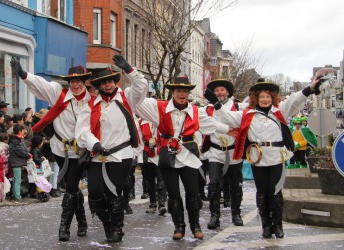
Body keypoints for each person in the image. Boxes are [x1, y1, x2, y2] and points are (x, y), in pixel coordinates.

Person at [208, 77, 322, 239]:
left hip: (276, 156)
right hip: (258, 157)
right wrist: (216, 104)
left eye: (268, 96)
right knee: (261, 192)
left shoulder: (279, 111)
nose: (265, 99)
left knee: (274, 192)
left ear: (272, 98)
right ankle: (266, 226)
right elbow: (227, 117)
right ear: (256, 98)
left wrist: (310, 88)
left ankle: (277, 225)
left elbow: (294, 99)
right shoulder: (247, 114)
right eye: (261, 97)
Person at [135, 76, 235, 240]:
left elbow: (211, 124)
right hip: (168, 156)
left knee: (193, 193)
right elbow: (136, 101)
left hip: (188, 156)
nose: (182, 94)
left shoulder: (196, 111)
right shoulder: (158, 107)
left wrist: (227, 129)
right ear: (173, 92)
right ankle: (179, 227)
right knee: (174, 195)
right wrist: (132, 75)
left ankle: (195, 226)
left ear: (189, 93)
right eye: (179, 91)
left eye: (185, 91)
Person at [11, 58, 92, 241]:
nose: (76, 84)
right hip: (60, 149)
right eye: (72, 81)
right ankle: (82, 220)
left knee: (71, 186)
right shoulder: (59, 93)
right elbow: (41, 84)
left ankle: (64, 227)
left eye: (79, 81)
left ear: (85, 81)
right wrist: (24, 74)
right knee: (72, 188)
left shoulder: (92, 101)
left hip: (80, 151)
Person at [75, 55, 148, 243]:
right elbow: (82, 130)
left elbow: (142, 87)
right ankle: (107, 223)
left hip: (120, 155)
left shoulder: (127, 98)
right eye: (103, 83)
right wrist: (94, 143)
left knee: (113, 192)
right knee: (95, 194)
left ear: (115, 82)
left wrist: (130, 70)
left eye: (110, 81)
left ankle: (116, 228)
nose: (108, 85)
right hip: (97, 155)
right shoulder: (90, 105)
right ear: (98, 86)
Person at [202, 79, 244, 228]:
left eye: (222, 90)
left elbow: (238, 123)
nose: (219, 93)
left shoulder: (237, 107)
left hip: (233, 152)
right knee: (213, 184)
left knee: (235, 185)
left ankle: (236, 214)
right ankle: (214, 216)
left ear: (227, 92)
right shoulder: (207, 109)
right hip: (215, 151)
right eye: (217, 91)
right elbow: (204, 125)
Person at [139, 118, 168, 215]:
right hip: (148, 154)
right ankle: (152, 204)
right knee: (150, 180)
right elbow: (139, 140)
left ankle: (161, 204)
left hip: (160, 153)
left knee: (161, 180)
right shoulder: (142, 123)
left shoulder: (161, 121)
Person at [8, 125, 32, 203]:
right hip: (16, 162)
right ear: (19, 131)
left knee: (17, 180)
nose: (24, 132)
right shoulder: (16, 141)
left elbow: (23, 150)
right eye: (22, 131)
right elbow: (20, 151)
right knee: (17, 180)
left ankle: (16, 195)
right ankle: (17, 197)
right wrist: (28, 155)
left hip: (17, 162)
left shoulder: (18, 140)